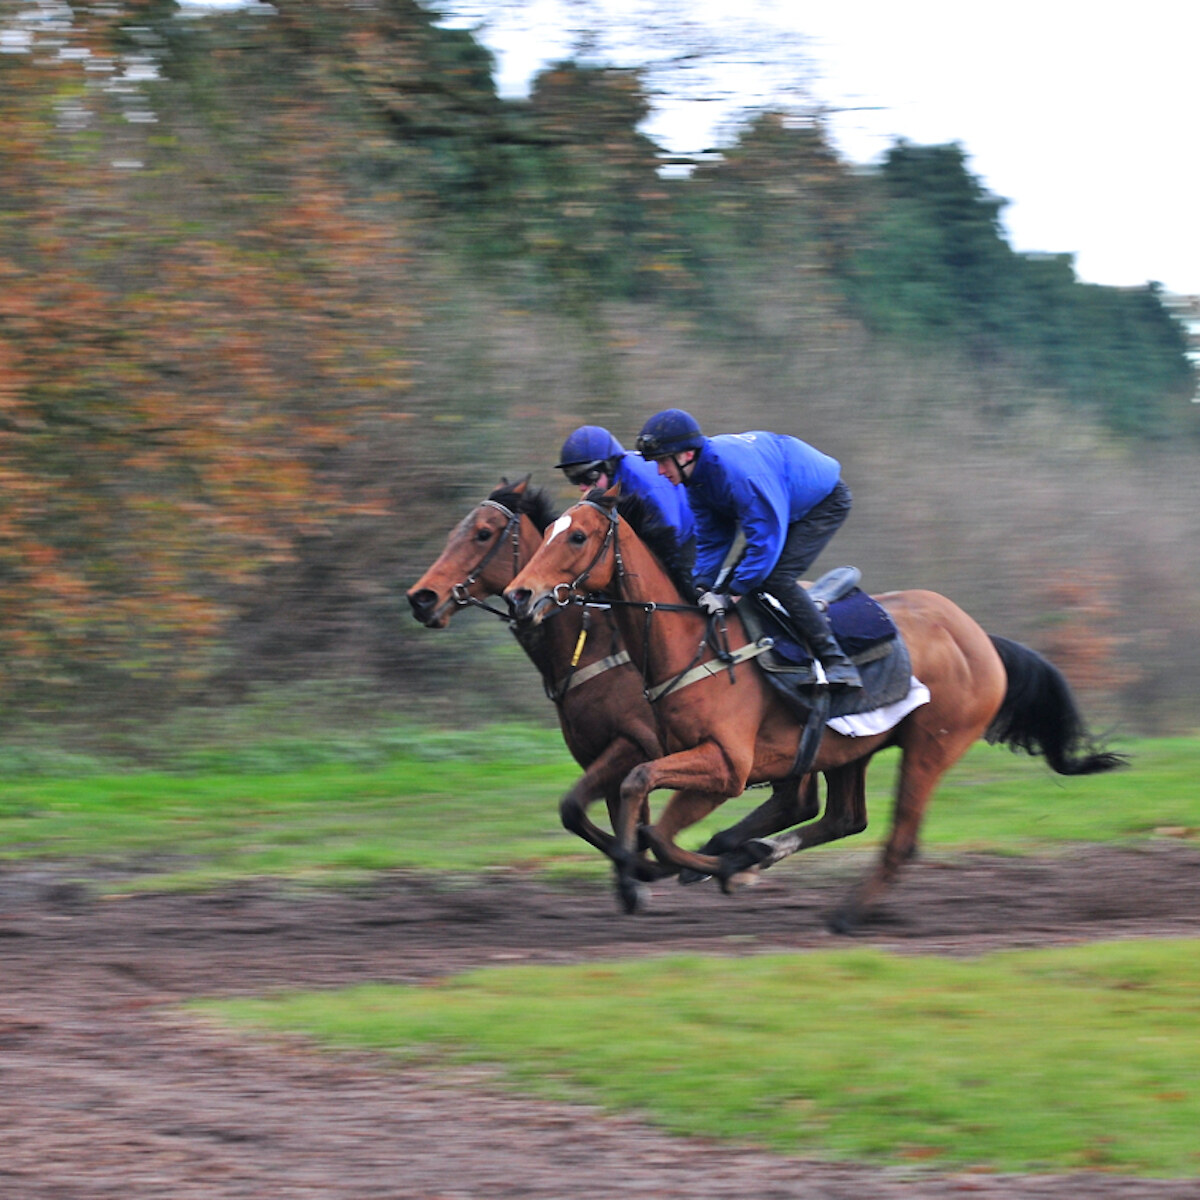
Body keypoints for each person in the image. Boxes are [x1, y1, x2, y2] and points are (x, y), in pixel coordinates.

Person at [635, 408, 861, 688]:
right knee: (734, 581)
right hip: (782, 502)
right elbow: (713, 538)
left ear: (687, 454)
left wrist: (731, 595)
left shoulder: (737, 475)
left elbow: (765, 539)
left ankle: (838, 662)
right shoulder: (696, 481)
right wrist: (703, 585)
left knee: (774, 578)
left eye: (662, 462)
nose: (659, 471)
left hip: (823, 503)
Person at [555, 424, 694, 550]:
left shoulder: (644, 487)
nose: (582, 487)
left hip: (691, 534)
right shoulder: (613, 484)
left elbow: (672, 537)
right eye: (575, 480)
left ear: (609, 468)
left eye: (588, 477)